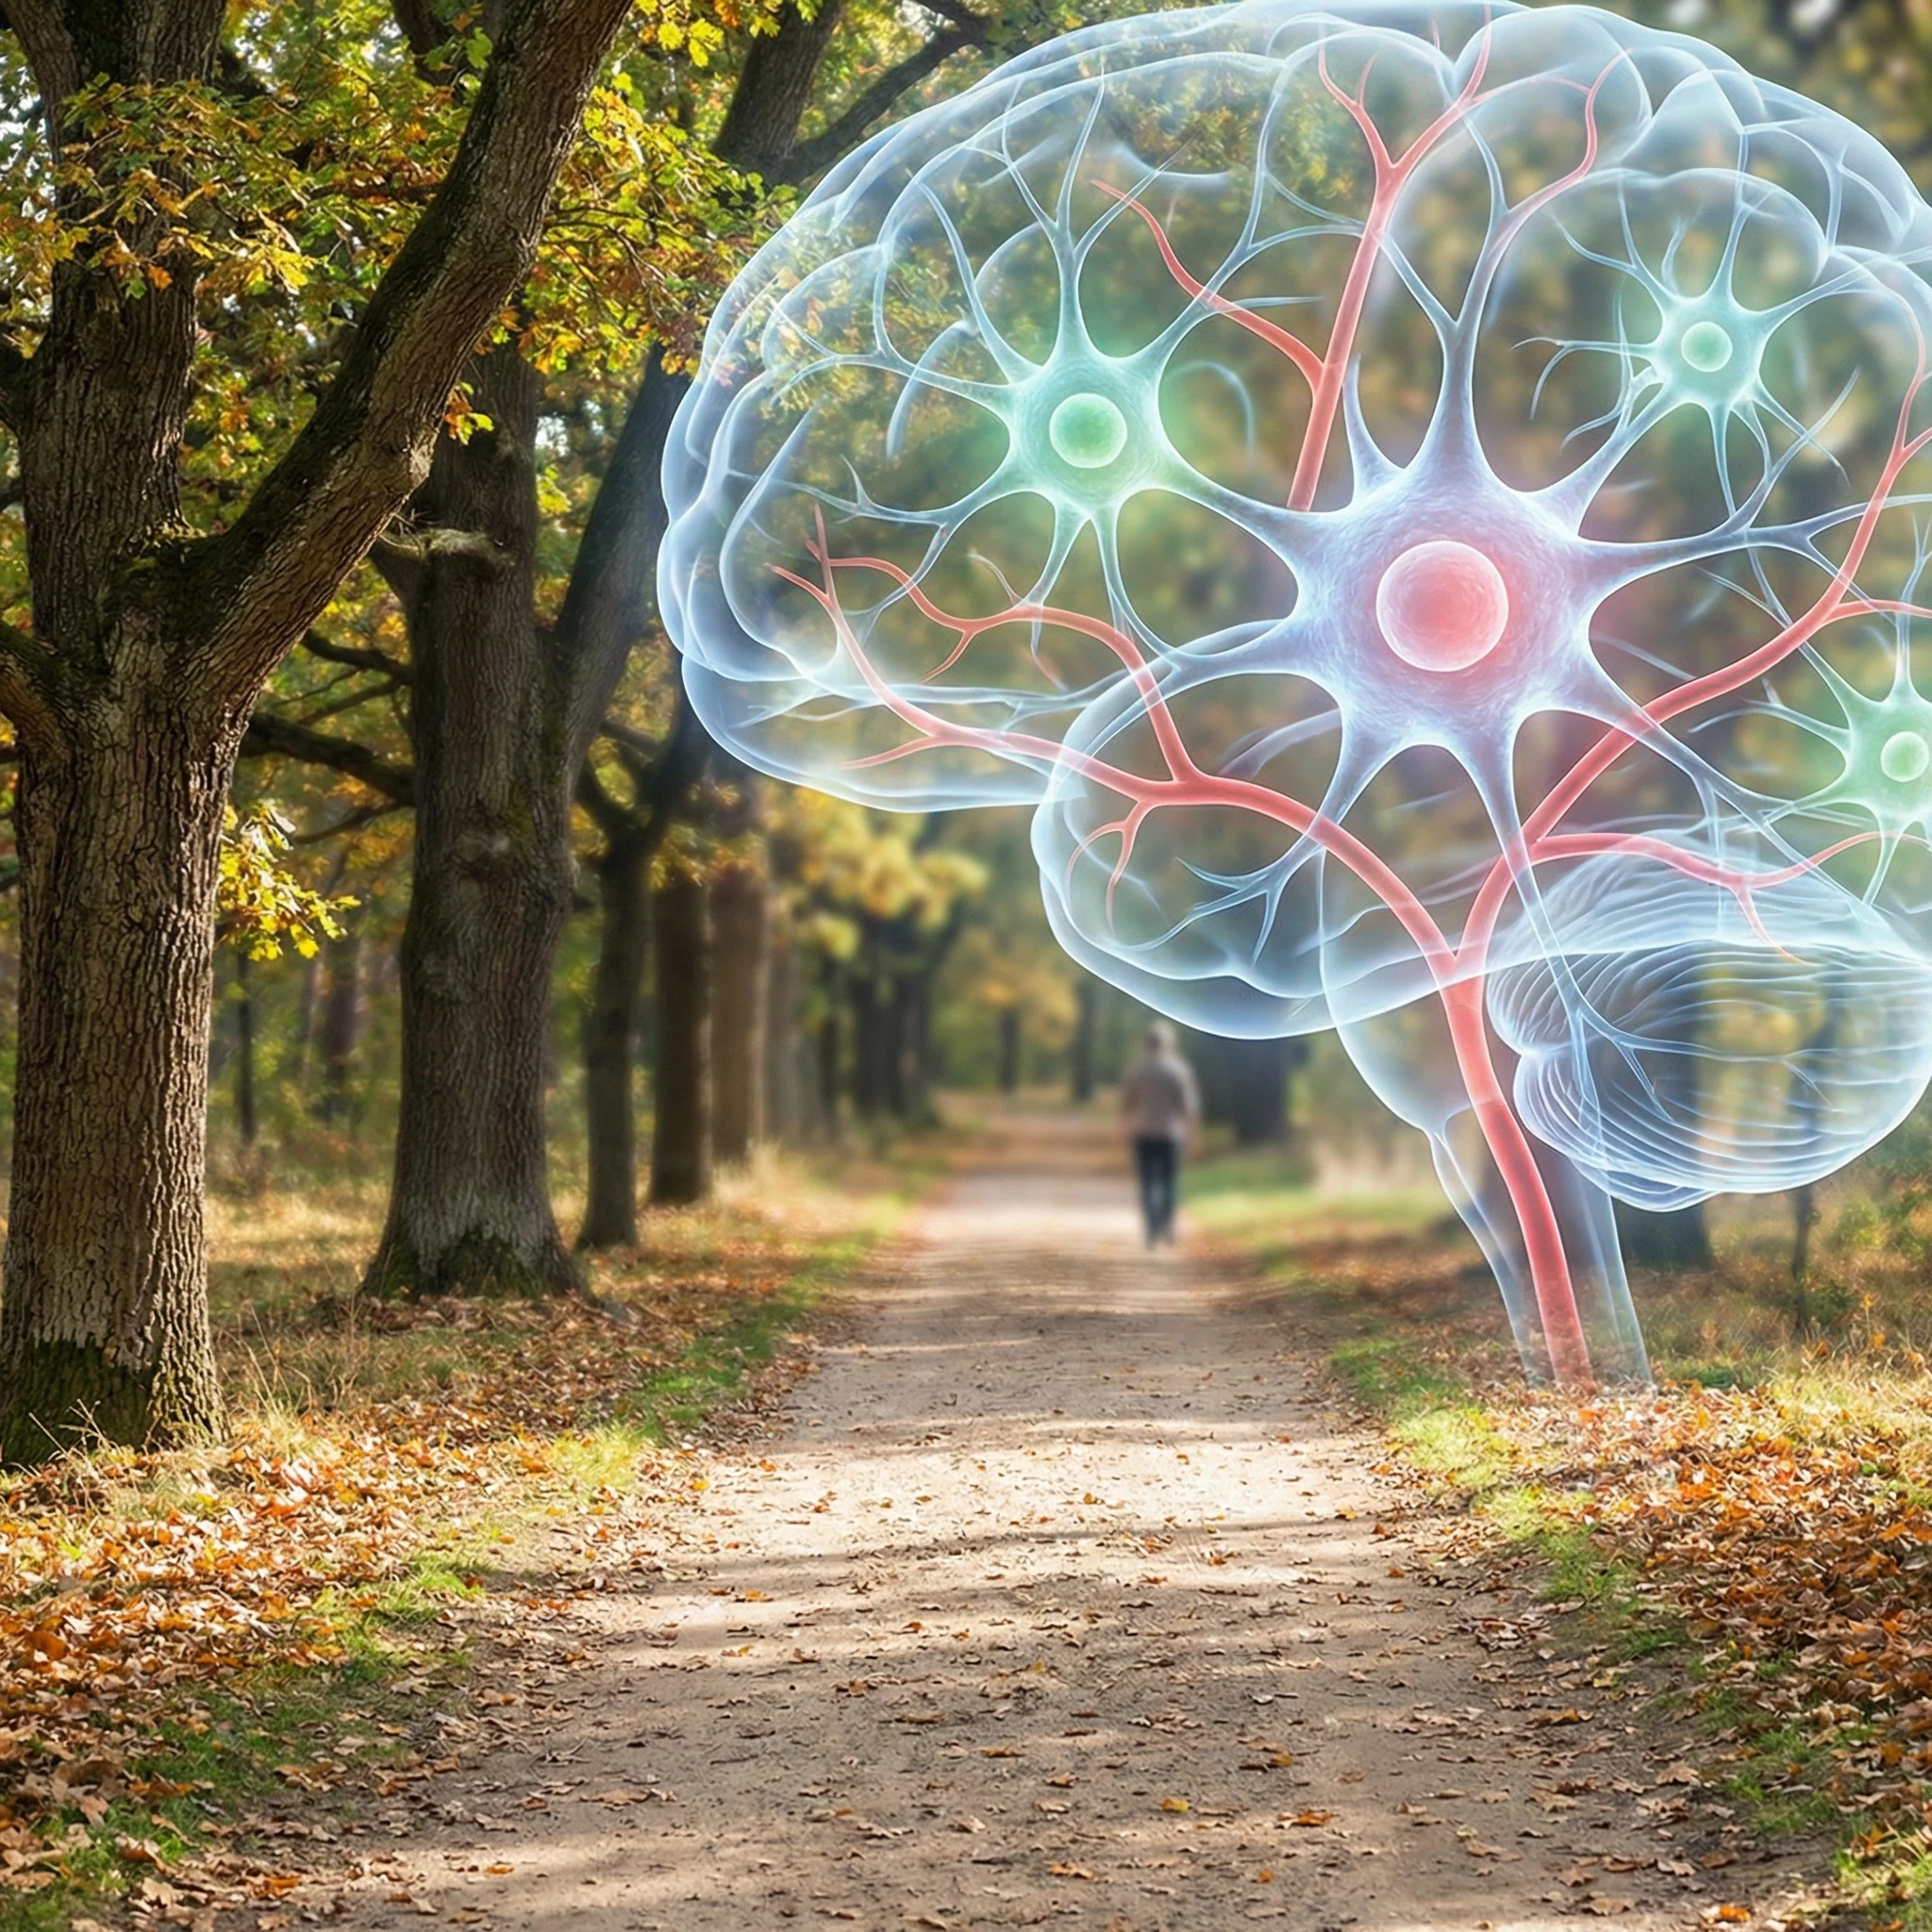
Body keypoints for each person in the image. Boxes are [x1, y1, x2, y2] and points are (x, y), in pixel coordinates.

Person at [1120, 1021, 1200, 1247]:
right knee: (1169, 1181)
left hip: (1143, 1132)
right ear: (1169, 1043)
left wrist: (1124, 1126)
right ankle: (1167, 1223)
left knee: (1146, 1182)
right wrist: (1192, 1131)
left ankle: (1151, 1227)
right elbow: (1187, 1105)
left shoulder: (1138, 1070)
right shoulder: (1177, 1070)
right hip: (1170, 1133)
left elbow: (1128, 1103)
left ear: (1147, 1043)